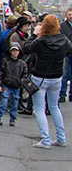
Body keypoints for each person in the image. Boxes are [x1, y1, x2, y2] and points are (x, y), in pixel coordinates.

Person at [23, 13, 72, 148]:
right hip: (56, 77)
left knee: (39, 109)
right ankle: (61, 138)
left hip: (40, 76)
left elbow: (26, 48)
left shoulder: (41, 41)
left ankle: (45, 139)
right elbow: (70, 49)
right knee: (54, 107)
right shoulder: (63, 40)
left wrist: (34, 34)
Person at [0, 43, 28, 126]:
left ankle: (13, 118)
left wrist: (21, 83)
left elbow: (25, 75)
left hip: (16, 86)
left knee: (15, 104)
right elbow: (0, 73)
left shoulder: (22, 64)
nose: (15, 52)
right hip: (6, 84)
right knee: (4, 102)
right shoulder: (5, 61)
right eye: (13, 50)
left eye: (16, 50)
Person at [60, 8, 72, 102]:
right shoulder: (62, 26)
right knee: (65, 74)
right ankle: (62, 94)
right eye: (69, 14)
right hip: (66, 53)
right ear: (66, 15)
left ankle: (71, 94)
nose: (70, 16)